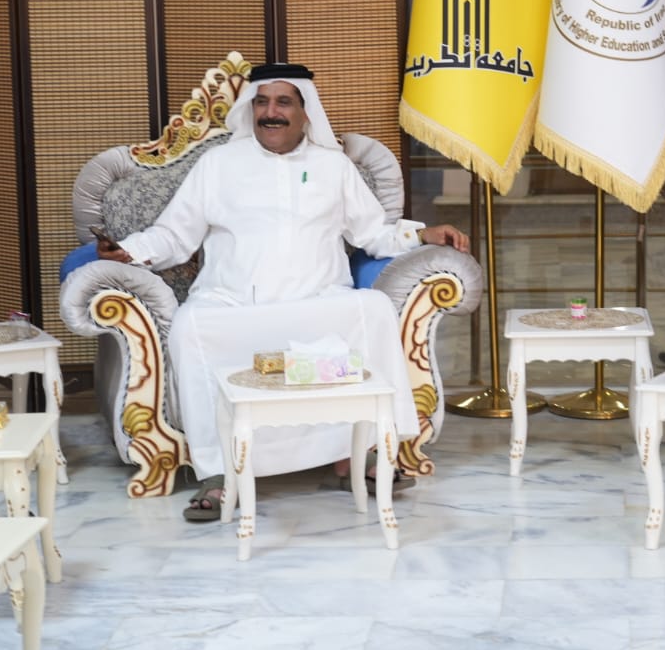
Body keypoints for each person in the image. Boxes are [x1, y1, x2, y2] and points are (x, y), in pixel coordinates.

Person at [96, 63, 469, 522]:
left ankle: (356, 453)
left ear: (305, 111)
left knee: (373, 309)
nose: (270, 112)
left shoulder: (333, 167)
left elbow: (373, 233)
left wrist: (423, 234)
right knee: (191, 326)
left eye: (283, 102)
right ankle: (218, 473)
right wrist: (130, 251)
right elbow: (175, 234)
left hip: (315, 304)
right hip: (235, 306)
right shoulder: (218, 165)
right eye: (262, 102)